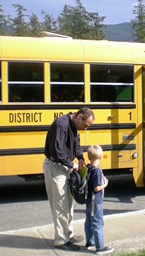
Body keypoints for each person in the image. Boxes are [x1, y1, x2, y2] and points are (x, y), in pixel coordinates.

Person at [43, 107, 95, 251]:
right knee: (60, 205)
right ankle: (61, 240)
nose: (85, 128)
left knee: (68, 202)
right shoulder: (61, 125)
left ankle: (69, 234)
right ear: (79, 117)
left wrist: (80, 158)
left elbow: (76, 144)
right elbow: (56, 151)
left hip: (65, 166)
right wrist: (72, 164)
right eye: (86, 125)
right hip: (56, 167)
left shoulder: (73, 126)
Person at [84, 145, 115, 255]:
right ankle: (100, 247)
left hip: (89, 201)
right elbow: (97, 188)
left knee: (89, 222)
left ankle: (90, 242)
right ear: (101, 157)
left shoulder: (88, 168)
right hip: (95, 201)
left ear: (89, 157)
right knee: (97, 223)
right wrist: (105, 184)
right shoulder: (96, 171)